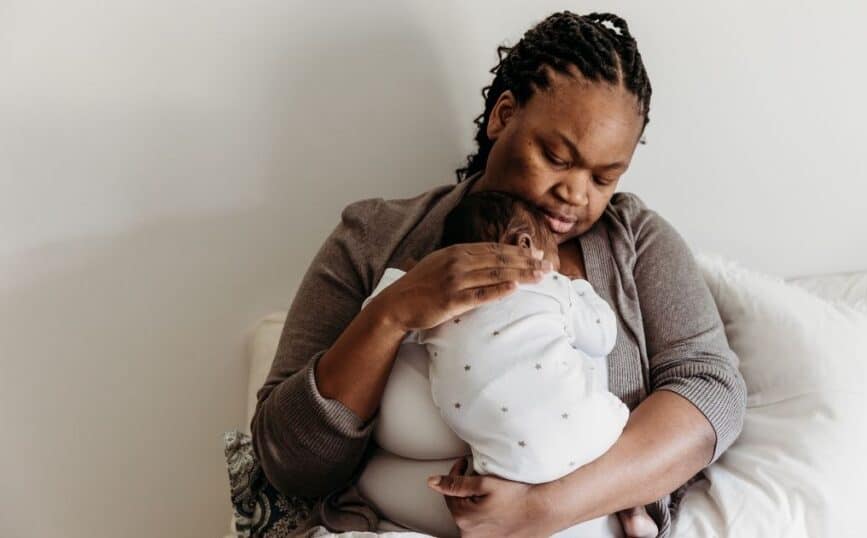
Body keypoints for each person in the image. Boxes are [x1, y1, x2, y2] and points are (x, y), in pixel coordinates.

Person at [251, 10, 747, 538]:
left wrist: (542, 511)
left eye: (604, 178)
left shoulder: (637, 243)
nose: (577, 194)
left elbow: (711, 392)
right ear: (503, 116)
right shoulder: (376, 236)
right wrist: (390, 315)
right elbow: (289, 460)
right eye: (557, 157)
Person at [363, 190, 657, 537]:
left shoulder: (443, 303)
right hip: (594, 437)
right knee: (604, 392)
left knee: (474, 495)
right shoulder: (552, 284)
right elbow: (602, 338)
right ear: (525, 243)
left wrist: (404, 280)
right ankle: (633, 509)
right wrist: (582, 291)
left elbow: (377, 314)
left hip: (505, 467)